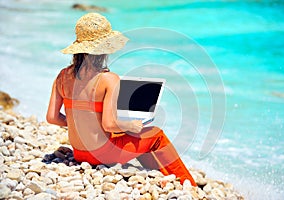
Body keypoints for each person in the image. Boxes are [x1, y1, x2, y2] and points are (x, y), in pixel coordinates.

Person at [46, 13, 197, 186]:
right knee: (156, 135)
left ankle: (160, 176)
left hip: (80, 152)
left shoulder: (62, 76)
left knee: (127, 134)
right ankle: (188, 184)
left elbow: (52, 118)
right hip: (101, 153)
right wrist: (129, 125)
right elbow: (109, 124)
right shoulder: (108, 79)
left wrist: (79, 122)